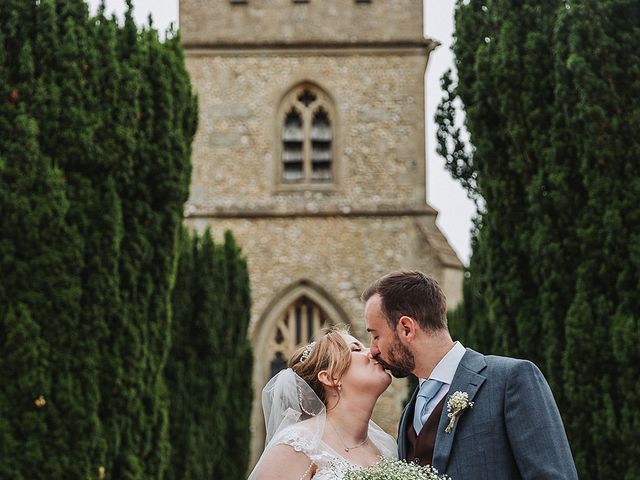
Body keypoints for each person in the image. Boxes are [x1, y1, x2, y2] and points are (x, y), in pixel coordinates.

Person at [362, 271, 578, 480]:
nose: (373, 350)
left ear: (407, 328)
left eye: (376, 336)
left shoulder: (509, 379)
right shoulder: (410, 412)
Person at [248, 328, 397, 480]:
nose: (372, 351)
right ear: (331, 377)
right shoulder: (296, 446)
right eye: (356, 349)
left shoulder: (387, 447)